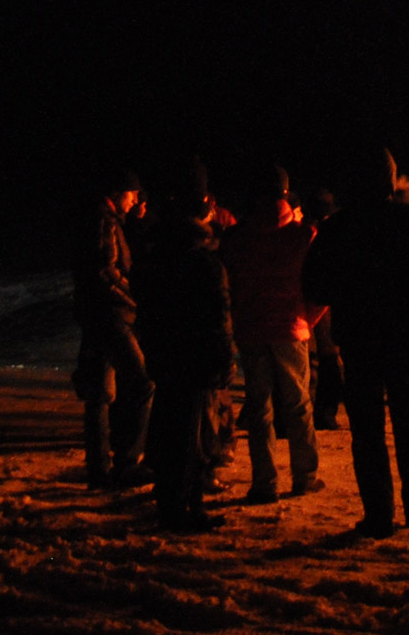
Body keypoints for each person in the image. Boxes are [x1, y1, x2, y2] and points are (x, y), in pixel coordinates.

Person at [301, 148, 409, 537]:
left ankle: (379, 515)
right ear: (389, 180)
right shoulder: (408, 221)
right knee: (408, 423)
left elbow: (314, 283)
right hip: (403, 338)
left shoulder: (338, 227)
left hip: (359, 338)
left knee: (367, 430)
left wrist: (347, 294)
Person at [134, 162, 235, 533]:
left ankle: (179, 503)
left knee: (173, 426)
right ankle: (181, 509)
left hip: (164, 350)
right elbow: (217, 311)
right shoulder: (200, 252)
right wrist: (224, 357)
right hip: (196, 356)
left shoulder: (156, 243)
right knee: (192, 435)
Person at [219, 165, 324, 504]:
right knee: (297, 404)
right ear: (285, 192)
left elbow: (228, 283)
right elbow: (319, 289)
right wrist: (307, 320)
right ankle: (305, 476)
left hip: (251, 328)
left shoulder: (236, 237)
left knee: (259, 406)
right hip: (291, 328)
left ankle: (265, 482)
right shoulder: (303, 235)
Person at [72, 168, 154, 489]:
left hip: (95, 314)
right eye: (132, 195)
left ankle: (99, 467)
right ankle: (126, 462)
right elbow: (105, 272)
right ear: (120, 192)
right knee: (142, 382)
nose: (135, 202)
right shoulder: (105, 222)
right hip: (112, 315)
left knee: (99, 392)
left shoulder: (101, 219)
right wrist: (134, 299)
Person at [305, 186, 345, 429]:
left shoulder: (305, 232)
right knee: (328, 362)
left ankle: (316, 411)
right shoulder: (332, 233)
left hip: (311, 303)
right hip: (325, 305)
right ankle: (324, 412)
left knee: (315, 363)